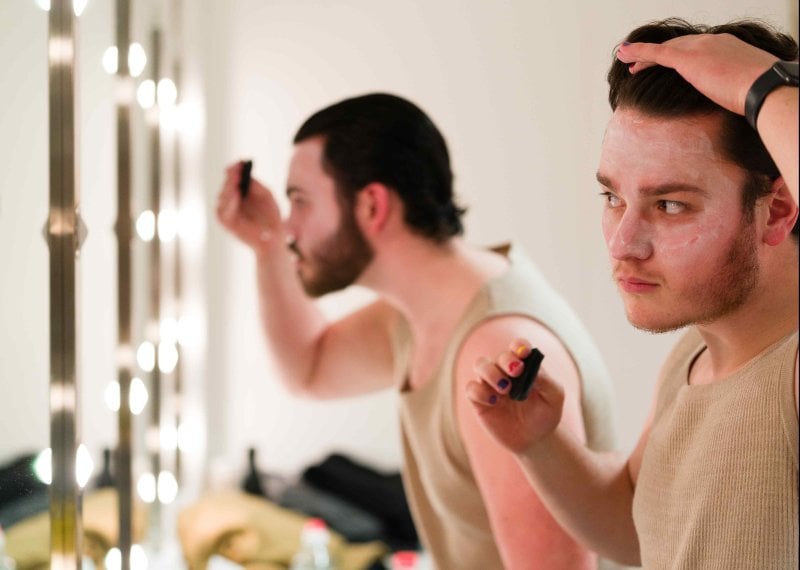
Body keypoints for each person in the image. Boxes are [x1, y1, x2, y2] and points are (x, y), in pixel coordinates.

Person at [217, 93, 619, 569]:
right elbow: (309, 369)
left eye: (299, 202)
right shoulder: (419, 312)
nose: (289, 228)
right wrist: (266, 247)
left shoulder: (494, 350)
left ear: (372, 206)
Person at [466, 18, 799, 569]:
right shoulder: (693, 354)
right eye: (613, 196)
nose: (623, 243)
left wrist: (762, 86)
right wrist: (541, 445)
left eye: (670, 205)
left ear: (779, 210)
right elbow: (638, 534)